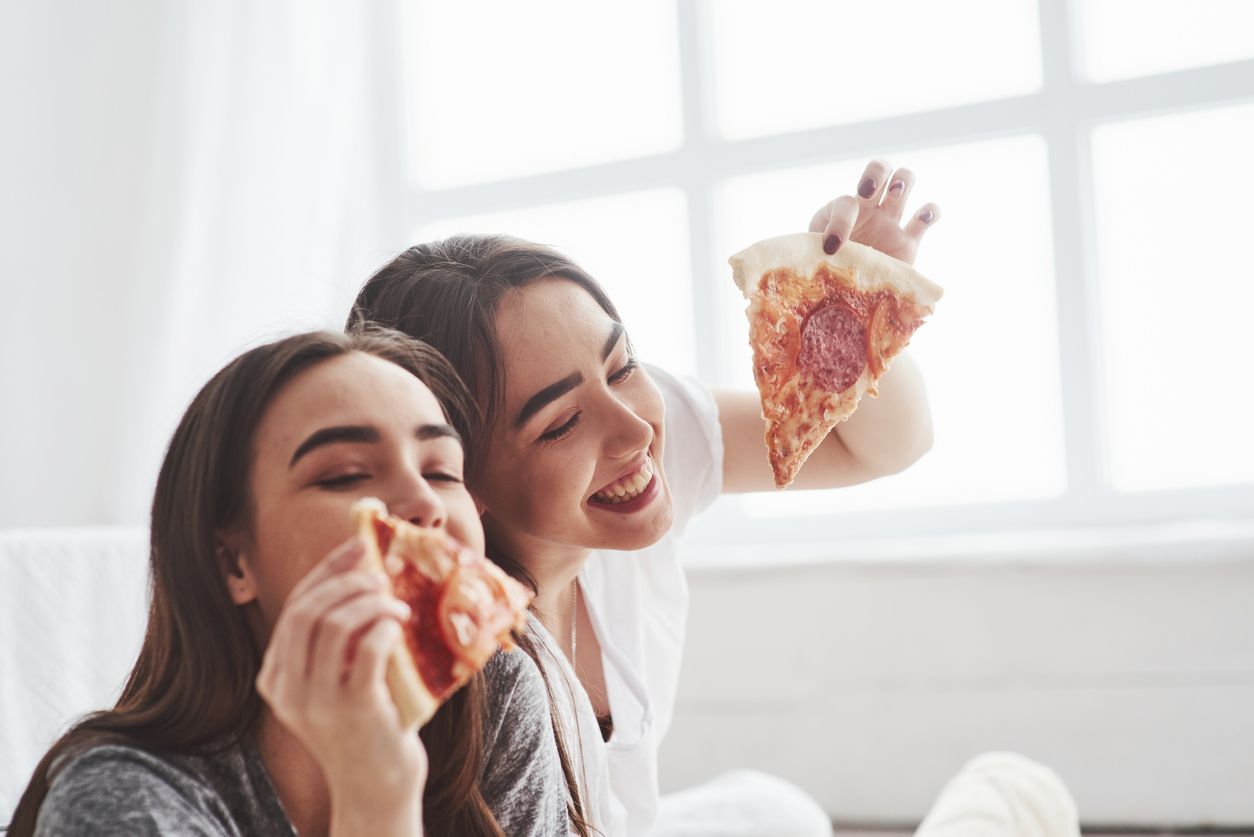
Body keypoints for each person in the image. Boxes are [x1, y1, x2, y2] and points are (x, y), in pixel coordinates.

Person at [347, 161, 945, 835]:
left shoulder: (640, 441)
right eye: (560, 423)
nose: (634, 428)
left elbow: (880, 445)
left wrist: (853, 309)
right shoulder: (451, 661)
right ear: (453, 472)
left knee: (778, 808)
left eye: (620, 363)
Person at [6, 329, 571, 836]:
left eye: (442, 471)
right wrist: (375, 790)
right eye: (346, 475)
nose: (424, 504)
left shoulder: (493, 699)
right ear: (234, 565)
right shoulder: (118, 802)